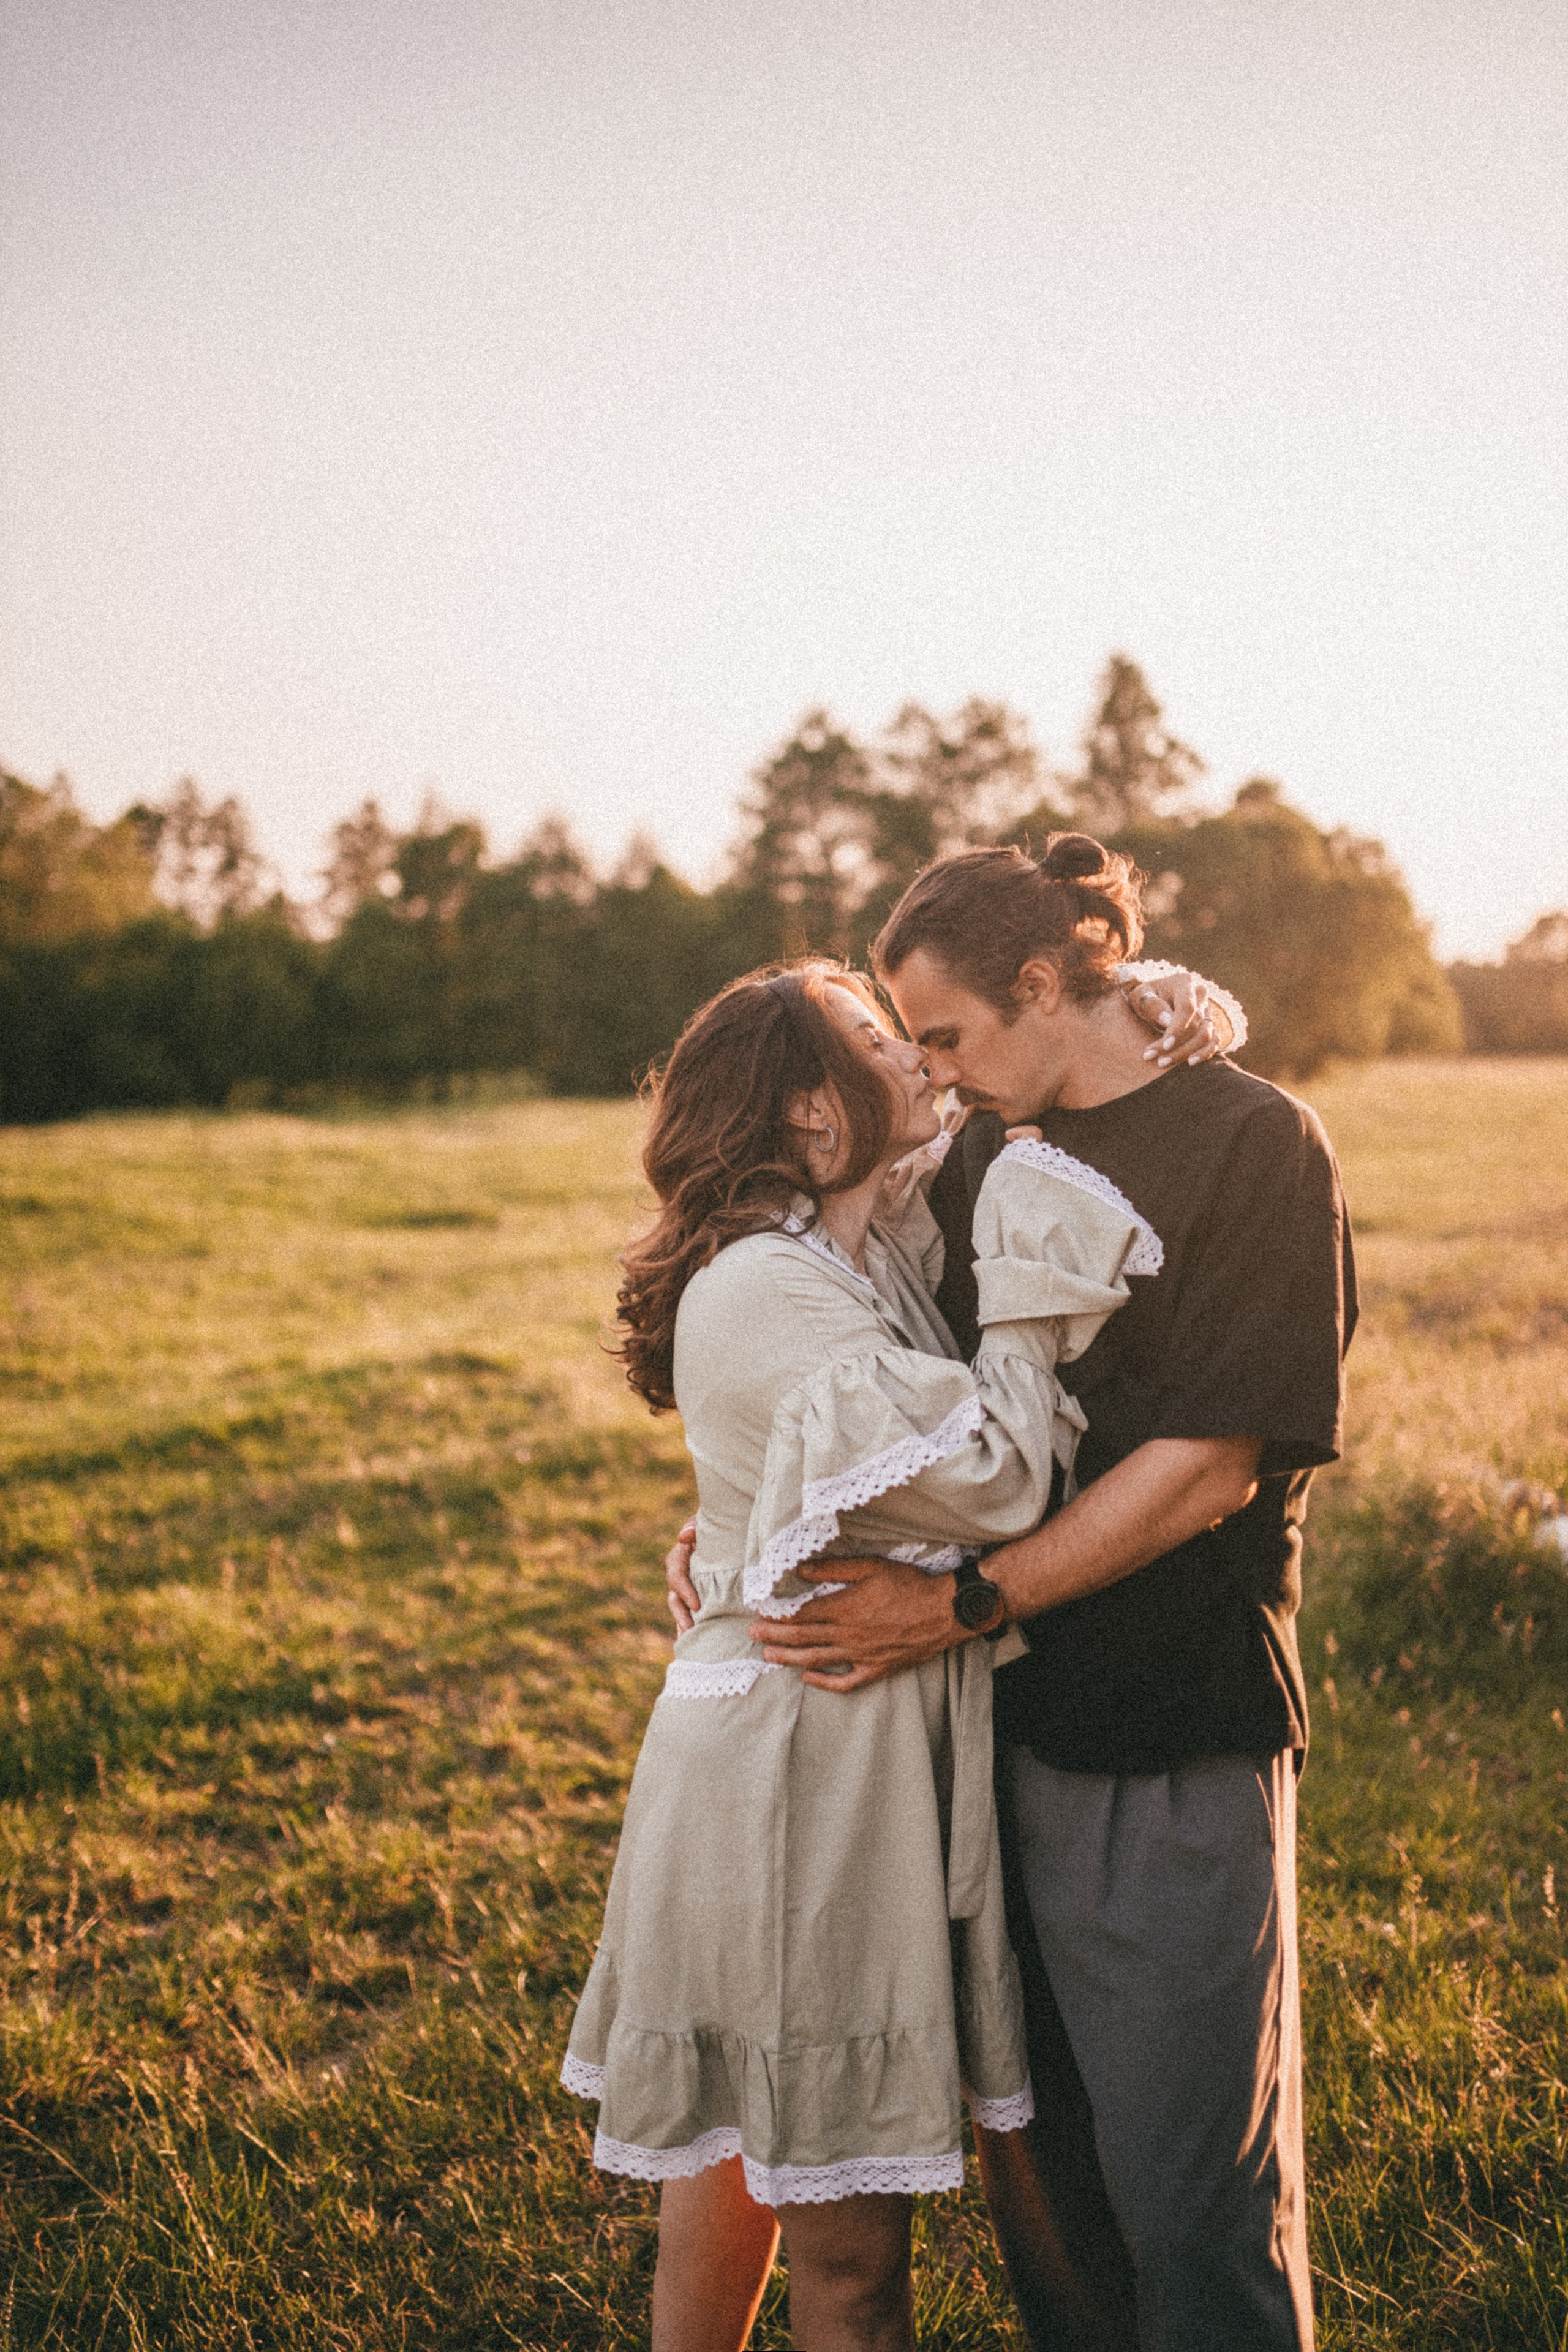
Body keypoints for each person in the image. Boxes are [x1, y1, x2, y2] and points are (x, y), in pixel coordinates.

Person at [560, 952, 1227, 2352]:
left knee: (756, 2159)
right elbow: (994, 1479)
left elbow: (1022, 1064)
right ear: (810, 1114)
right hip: (795, 1767)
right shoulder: (767, 1283)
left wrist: (1146, 993)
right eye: (878, 1043)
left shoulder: (860, 1242)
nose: (920, 1059)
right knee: (841, 2246)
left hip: (831, 1744)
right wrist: (1033, 1298)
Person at [745, 835, 1355, 2352]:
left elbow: (1207, 1466)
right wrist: (735, 1525)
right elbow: (877, 1379)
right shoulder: (969, 1162)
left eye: (946, 1036)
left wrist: (961, 1605)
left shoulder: (1252, 1142)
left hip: (1165, 1732)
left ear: (1040, 982)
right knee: (1049, 2199)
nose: (931, 1073)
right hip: (975, 1744)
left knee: (1191, 2206)